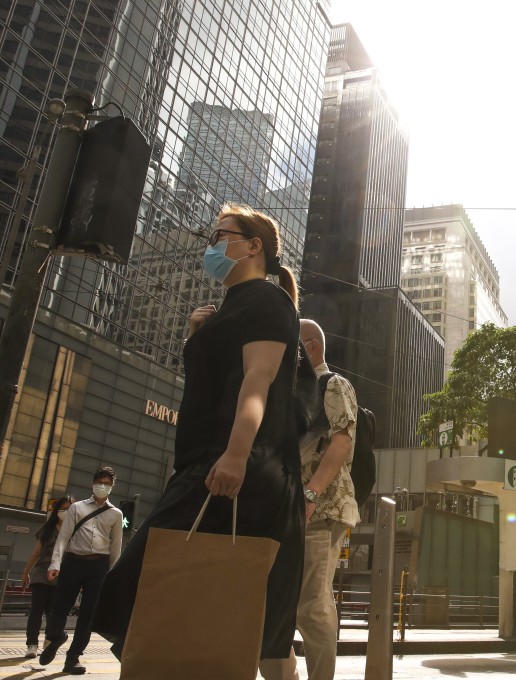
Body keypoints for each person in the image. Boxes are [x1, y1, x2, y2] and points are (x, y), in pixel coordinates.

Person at [91, 203, 306, 671]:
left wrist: (235, 455)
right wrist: (196, 336)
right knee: (202, 598)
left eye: (219, 237)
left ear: (253, 246)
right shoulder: (229, 309)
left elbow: (258, 381)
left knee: (141, 584)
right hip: (206, 461)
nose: (210, 248)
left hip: (238, 463)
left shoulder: (267, 302)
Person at [260, 319, 360, 680]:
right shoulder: (286, 394)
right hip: (282, 511)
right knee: (267, 605)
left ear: (311, 348)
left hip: (319, 510)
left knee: (310, 604)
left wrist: (310, 496)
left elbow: (342, 442)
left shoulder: (331, 384)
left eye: (292, 346)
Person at [40, 469, 123, 674]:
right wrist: (55, 564)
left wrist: (113, 576)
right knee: (58, 609)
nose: (102, 485)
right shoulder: (76, 508)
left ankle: (73, 658)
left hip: (99, 567)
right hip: (73, 563)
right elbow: (63, 538)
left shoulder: (116, 514)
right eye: (99, 481)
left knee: (88, 616)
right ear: (93, 483)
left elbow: (115, 547)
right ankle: (57, 636)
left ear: (112, 486)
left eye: (107, 483)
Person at [20, 495, 74, 658]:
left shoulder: (75, 531)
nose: (65, 512)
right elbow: (37, 552)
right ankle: (32, 644)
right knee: (36, 610)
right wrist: (26, 571)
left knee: (53, 612)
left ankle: (50, 640)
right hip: (42, 573)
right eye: (62, 509)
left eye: (69, 509)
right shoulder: (48, 529)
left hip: (62, 576)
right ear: (57, 510)